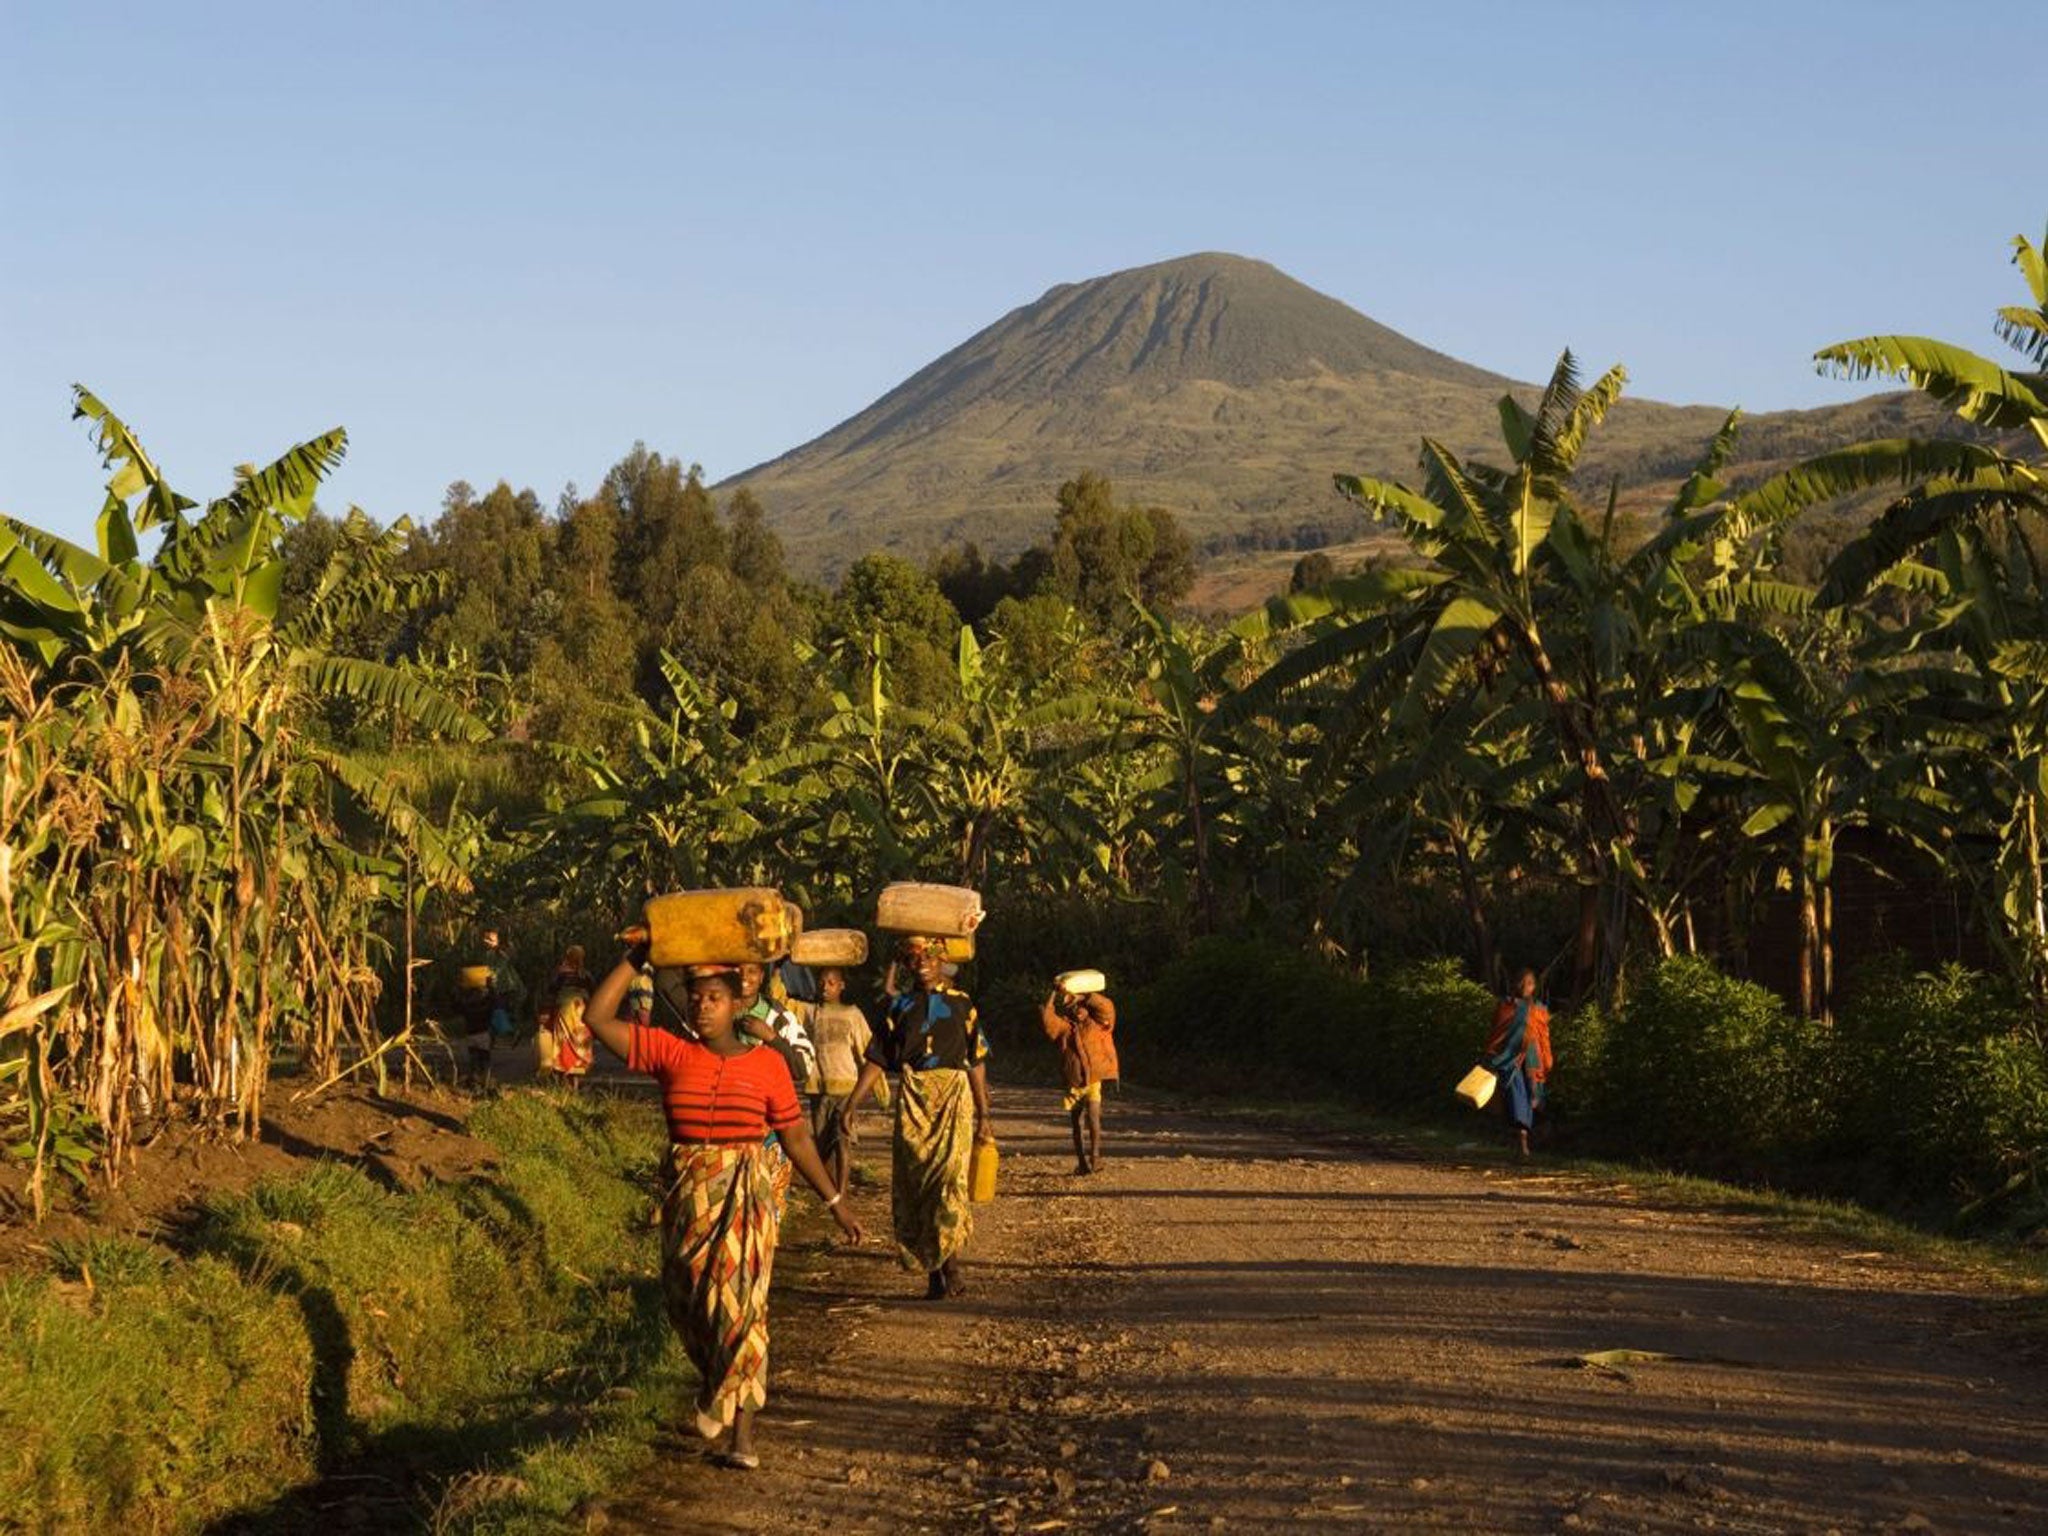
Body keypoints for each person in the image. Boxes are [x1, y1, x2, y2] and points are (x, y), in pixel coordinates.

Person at [583, 938, 863, 1470]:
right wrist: (638, 957)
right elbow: (597, 1018)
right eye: (695, 997)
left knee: (743, 1309)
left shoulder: (767, 1066)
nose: (702, 1005)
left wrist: (835, 1201)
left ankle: (741, 1438)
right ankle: (720, 1385)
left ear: (737, 1003)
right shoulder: (670, 1052)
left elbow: (798, 1139)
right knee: (687, 1303)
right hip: (688, 1197)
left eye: (714, 997)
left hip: (746, 1193)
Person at [838, 934, 992, 1299]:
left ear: (942, 960)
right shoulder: (900, 1006)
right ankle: (934, 1271)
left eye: (928, 955)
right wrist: (852, 1104)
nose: (921, 962)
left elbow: (976, 1061)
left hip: (954, 1100)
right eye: (912, 958)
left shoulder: (962, 1004)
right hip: (914, 1101)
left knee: (949, 1183)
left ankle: (951, 1264)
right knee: (919, 1185)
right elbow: (877, 1057)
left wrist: (984, 1113)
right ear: (906, 966)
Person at [1041, 980, 1119, 1175]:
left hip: (1093, 1080)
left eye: (1081, 1007)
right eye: (1074, 1007)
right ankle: (1082, 1162)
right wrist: (1053, 993)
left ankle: (1095, 1156)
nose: (1078, 1010)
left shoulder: (1100, 1024)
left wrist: (1084, 996)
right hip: (1073, 1082)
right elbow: (1047, 1020)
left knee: (1093, 1117)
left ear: (1088, 1008)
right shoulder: (1064, 1029)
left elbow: (1106, 1007)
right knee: (1077, 1123)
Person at [809, 968, 873, 1196]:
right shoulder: (811, 1012)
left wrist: (877, 1085)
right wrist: (779, 968)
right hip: (818, 1087)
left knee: (842, 1140)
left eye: (831, 983)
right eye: (822, 982)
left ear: (842, 986)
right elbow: (782, 999)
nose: (825, 987)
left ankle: (842, 1191)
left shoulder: (852, 1014)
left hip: (847, 1087)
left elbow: (868, 1050)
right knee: (822, 1143)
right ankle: (826, 1190)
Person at [1486, 968, 1554, 1159]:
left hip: (1533, 1058)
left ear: (1534, 987)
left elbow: (1544, 1037)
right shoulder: (1506, 1005)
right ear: (1516, 985)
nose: (1525, 987)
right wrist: (1493, 1054)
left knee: (1532, 1096)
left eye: (1529, 984)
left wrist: (1547, 1059)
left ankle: (1522, 1137)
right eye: (1522, 983)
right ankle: (1522, 1139)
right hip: (1510, 1058)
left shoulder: (1539, 1009)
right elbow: (1497, 1032)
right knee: (1516, 1095)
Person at [459, 929, 525, 1090]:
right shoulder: (482, 954)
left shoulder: (500, 954)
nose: (487, 942)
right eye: (486, 939)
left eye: (491, 940)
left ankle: (508, 1031)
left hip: (502, 987)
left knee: (498, 1011)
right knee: (490, 1014)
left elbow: (508, 959)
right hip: (487, 988)